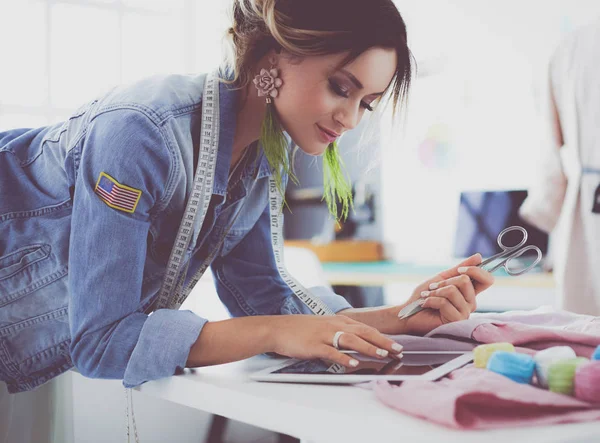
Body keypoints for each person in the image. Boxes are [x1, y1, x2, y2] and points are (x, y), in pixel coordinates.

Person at [0, 0, 494, 395]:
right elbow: (102, 343)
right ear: (274, 54)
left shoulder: (257, 159)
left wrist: (401, 315)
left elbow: (263, 296)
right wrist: (273, 332)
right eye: (341, 87)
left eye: (366, 103)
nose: (351, 118)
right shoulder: (140, 134)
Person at [520, 19, 600, 316]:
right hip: (589, 206)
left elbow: (550, 148)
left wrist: (548, 212)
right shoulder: (571, 46)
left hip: (588, 216)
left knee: (585, 338)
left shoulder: (572, 47)